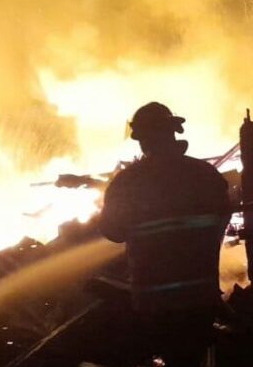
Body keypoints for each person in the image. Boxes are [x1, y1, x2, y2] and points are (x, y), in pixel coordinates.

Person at [98, 101, 231, 366]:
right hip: (200, 296)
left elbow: (112, 231)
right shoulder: (205, 174)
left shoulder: (128, 182)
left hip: (152, 301)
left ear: (143, 141)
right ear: (172, 133)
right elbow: (222, 217)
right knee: (193, 357)